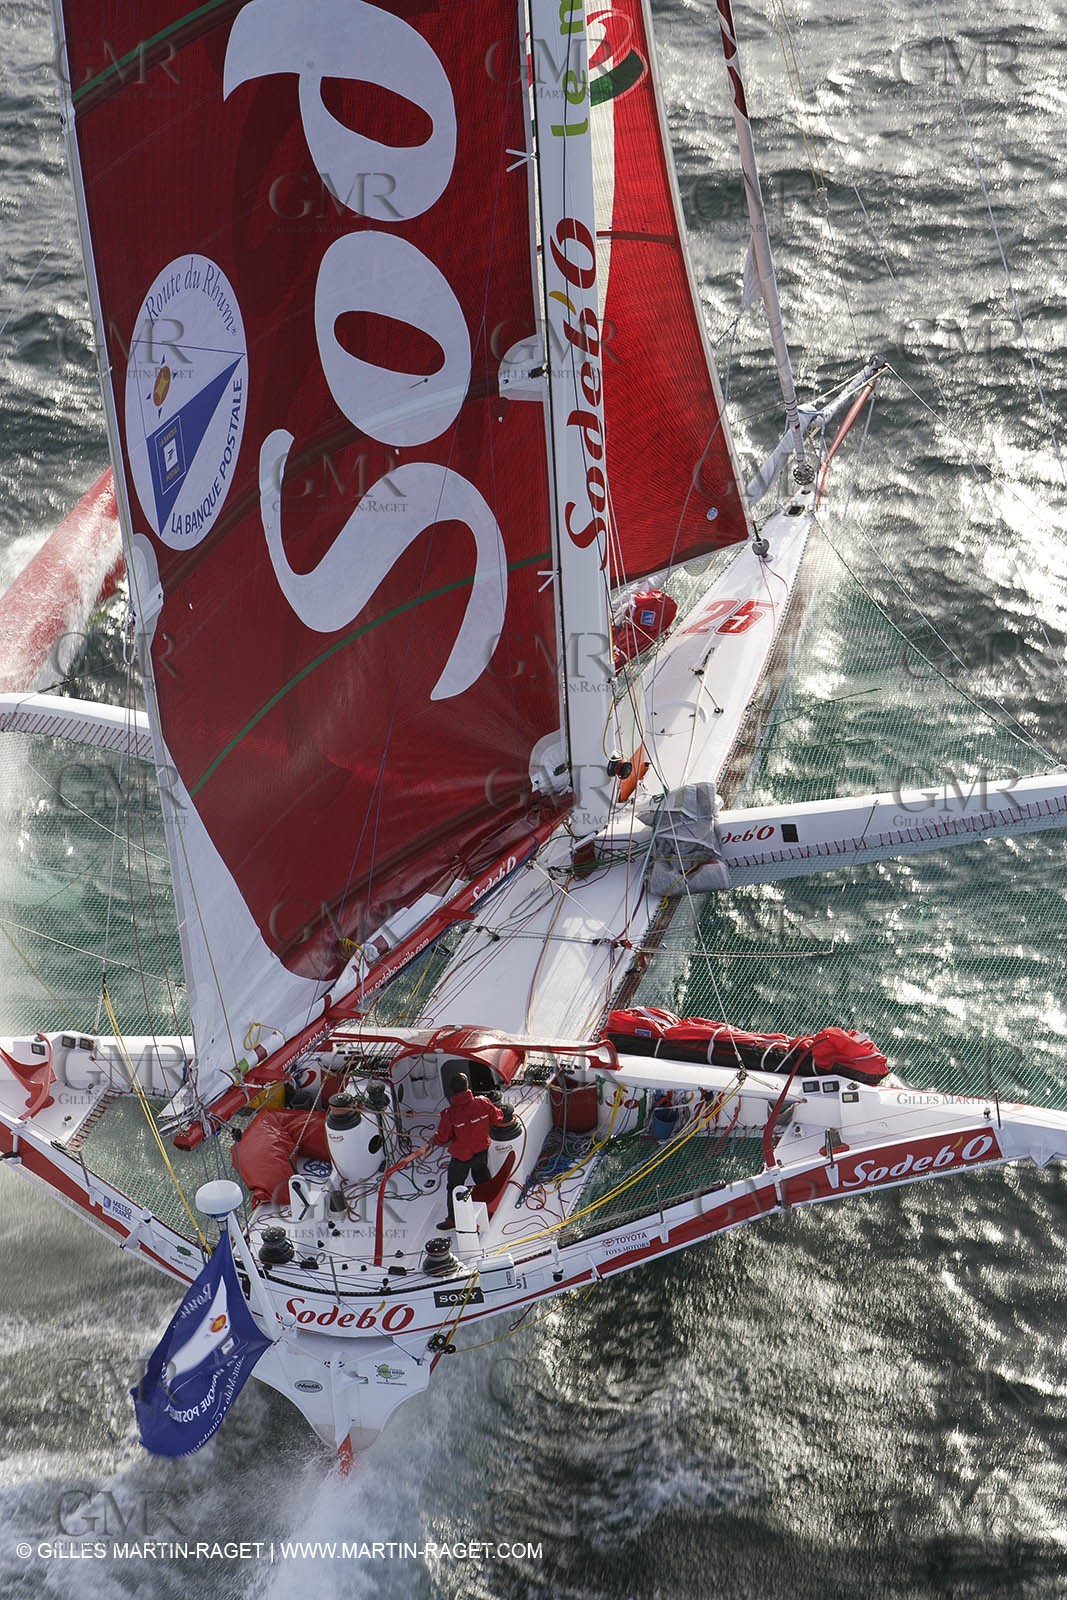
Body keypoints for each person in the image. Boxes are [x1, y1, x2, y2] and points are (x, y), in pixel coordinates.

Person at [433, 1073, 504, 1229]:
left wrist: (434, 1139)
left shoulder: (449, 1114)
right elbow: (497, 1117)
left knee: (455, 1187)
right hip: (481, 1152)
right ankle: (489, 1206)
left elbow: (443, 1138)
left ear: (452, 1090)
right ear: (467, 1087)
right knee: (482, 1178)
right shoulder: (484, 1102)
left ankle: (453, 1220)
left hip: (461, 1157)